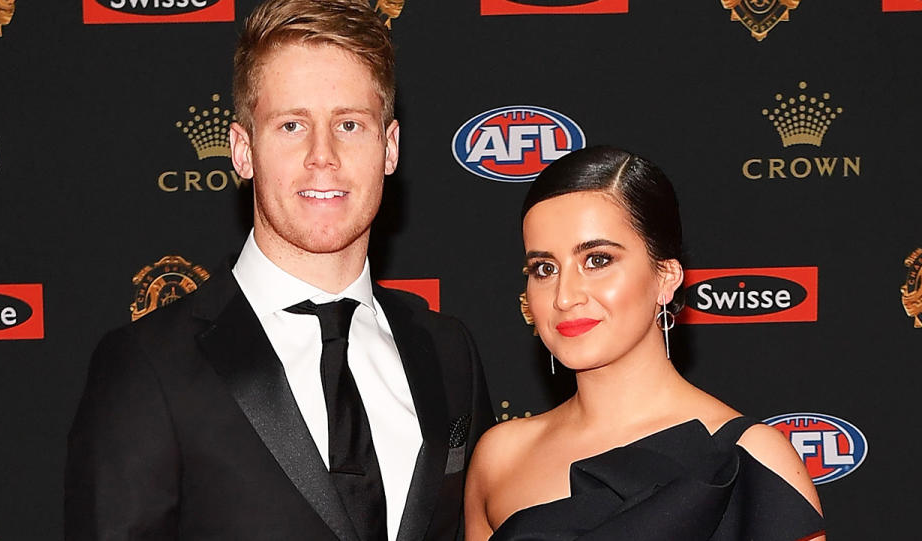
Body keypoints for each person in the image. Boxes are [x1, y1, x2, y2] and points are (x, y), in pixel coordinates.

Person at [64, 1, 492, 539]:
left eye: (351, 124)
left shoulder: (449, 354)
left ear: (390, 148)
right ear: (242, 151)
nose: (323, 155)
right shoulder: (147, 367)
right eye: (292, 125)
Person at [464, 146, 825, 541]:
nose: (564, 296)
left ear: (666, 277)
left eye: (597, 260)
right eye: (544, 269)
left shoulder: (750, 461)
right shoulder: (501, 457)